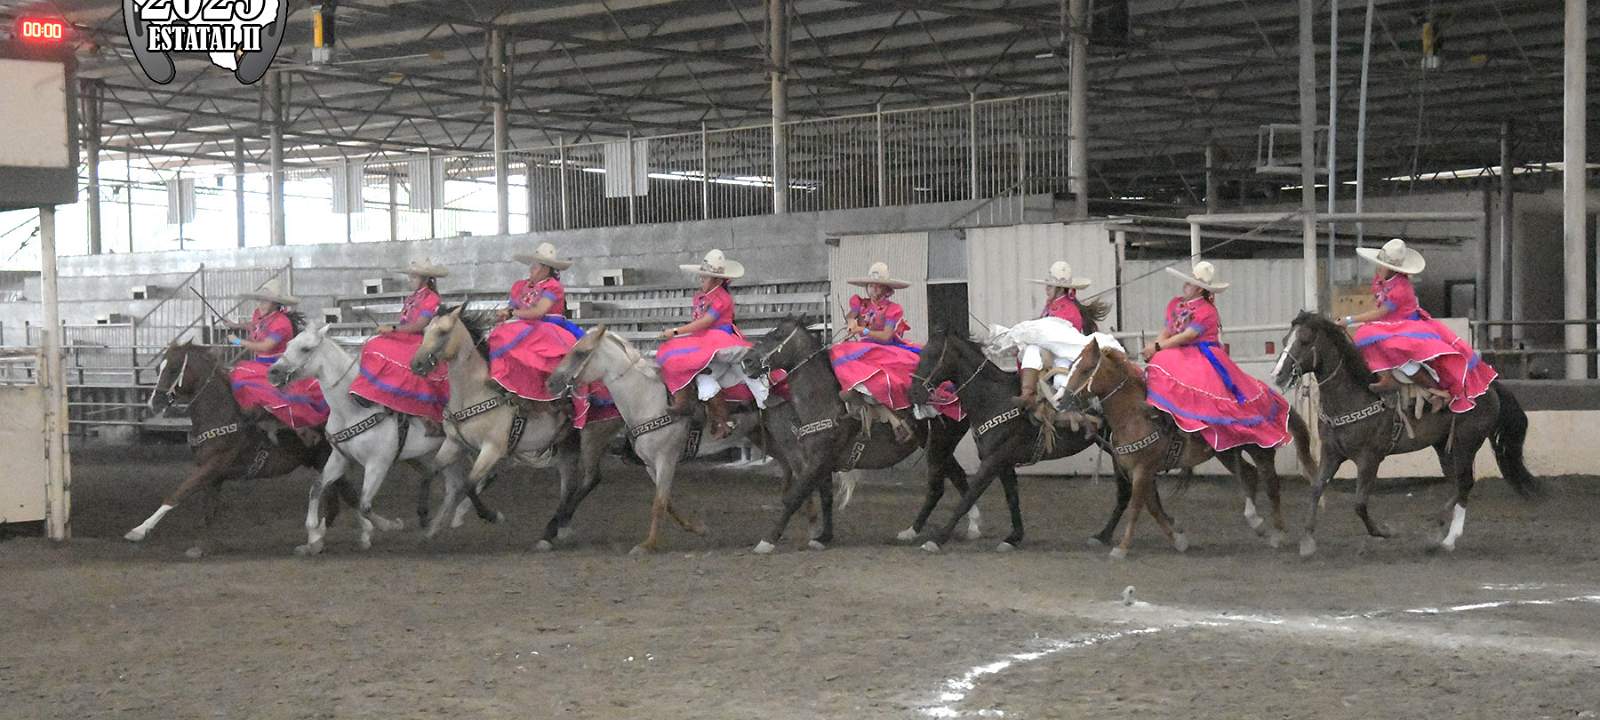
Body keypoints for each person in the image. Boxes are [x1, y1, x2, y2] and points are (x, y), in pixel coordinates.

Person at [1140, 261, 1290, 451]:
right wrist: (1155, 348)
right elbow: (1168, 330)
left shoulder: (1206, 310)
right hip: (1179, 350)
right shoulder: (1176, 304)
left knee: (1169, 363)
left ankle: (1195, 427)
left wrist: (1158, 347)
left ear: (1199, 289)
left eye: (1190, 283)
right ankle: (1164, 414)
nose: (1185, 285)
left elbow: (1188, 336)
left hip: (1201, 353)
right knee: (1160, 360)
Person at [1340, 238, 1496, 413]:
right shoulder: (1382, 280)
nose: (1378, 268)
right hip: (1391, 323)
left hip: (1406, 324)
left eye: (1382, 265)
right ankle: (1387, 375)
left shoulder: (1400, 289)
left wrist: (1350, 319)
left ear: (1393, 269)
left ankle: (1432, 389)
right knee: (1369, 335)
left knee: (1376, 339)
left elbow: (1381, 312)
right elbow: (1378, 307)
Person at [657, 249, 768, 439]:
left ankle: (718, 416)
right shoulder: (703, 296)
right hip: (703, 339)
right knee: (699, 376)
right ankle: (719, 420)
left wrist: (676, 332)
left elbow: (705, 322)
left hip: (718, 339)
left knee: (684, 361)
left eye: (705, 277)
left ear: (717, 280)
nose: (701, 279)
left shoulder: (721, 298)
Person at [486, 243, 591, 418]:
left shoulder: (552, 287)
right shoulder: (520, 286)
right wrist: (503, 313)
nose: (531, 269)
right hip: (525, 327)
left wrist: (512, 313)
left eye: (535, 266)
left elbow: (539, 312)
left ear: (546, 269)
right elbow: (512, 308)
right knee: (501, 334)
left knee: (513, 337)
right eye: (532, 265)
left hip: (548, 328)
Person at [349, 259, 450, 435]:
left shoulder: (431, 298)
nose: (410, 280)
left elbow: (419, 325)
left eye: (413, 277)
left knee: (377, 346)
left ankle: (388, 395)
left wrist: (393, 329)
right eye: (410, 276)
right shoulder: (413, 297)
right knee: (372, 343)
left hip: (420, 341)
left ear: (425, 279)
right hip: (405, 337)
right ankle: (373, 392)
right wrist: (391, 330)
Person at [225, 279, 329, 443]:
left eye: (265, 301)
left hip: (278, 365)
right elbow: (254, 325)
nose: (261, 304)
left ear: (275, 304)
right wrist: (236, 325)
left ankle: (281, 418)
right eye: (260, 300)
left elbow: (265, 346)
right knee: (238, 373)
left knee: (242, 375)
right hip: (260, 363)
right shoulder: (260, 314)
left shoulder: (281, 323)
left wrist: (238, 341)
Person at [828, 262, 922, 442]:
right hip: (862, 350)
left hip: (884, 349)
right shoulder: (860, 303)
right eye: (871, 286)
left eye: (878, 286)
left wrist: (862, 330)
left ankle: (891, 418)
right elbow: (851, 316)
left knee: (877, 379)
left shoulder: (893, 309)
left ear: (886, 289)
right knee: (836, 355)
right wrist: (851, 322)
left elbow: (886, 336)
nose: (873, 290)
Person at [1014, 261, 1110, 409]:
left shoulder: (1068, 310)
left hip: (1063, 354)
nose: (1046, 289)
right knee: (1031, 350)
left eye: (1049, 286)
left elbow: (1054, 336)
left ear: (1059, 289)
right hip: (1053, 351)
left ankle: (1034, 396)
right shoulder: (1054, 306)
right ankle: (1028, 393)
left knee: (1056, 375)